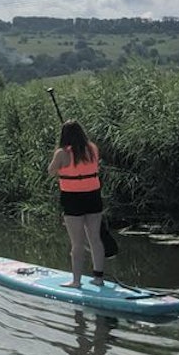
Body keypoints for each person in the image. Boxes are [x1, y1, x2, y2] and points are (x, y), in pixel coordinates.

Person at [47, 119, 105, 289]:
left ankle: (76, 281)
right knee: (95, 239)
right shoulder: (92, 148)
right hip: (93, 196)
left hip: (72, 199)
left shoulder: (61, 153)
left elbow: (51, 171)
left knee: (77, 243)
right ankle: (98, 278)